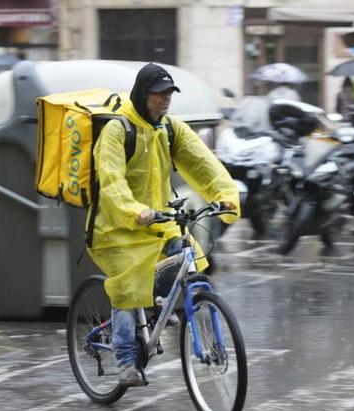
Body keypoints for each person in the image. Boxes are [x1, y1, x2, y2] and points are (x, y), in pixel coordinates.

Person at [89, 63, 242, 386]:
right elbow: (112, 182)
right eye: (158, 94)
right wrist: (134, 211)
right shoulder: (118, 130)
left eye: (169, 93)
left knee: (191, 260)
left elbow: (204, 163)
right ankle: (126, 360)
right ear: (143, 95)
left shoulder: (170, 129)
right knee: (130, 287)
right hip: (117, 228)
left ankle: (161, 308)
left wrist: (225, 194)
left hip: (160, 223)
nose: (165, 100)